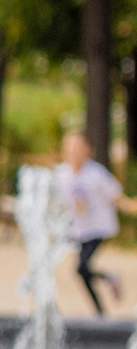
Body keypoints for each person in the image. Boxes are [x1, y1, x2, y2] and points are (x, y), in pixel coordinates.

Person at [56, 130, 136, 316]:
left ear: (87, 151)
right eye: (70, 148)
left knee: (81, 268)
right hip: (78, 230)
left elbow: (117, 198)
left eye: (78, 148)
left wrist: (132, 206)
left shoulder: (97, 174)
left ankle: (101, 307)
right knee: (82, 272)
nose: (74, 152)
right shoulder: (61, 174)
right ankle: (100, 311)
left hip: (99, 229)